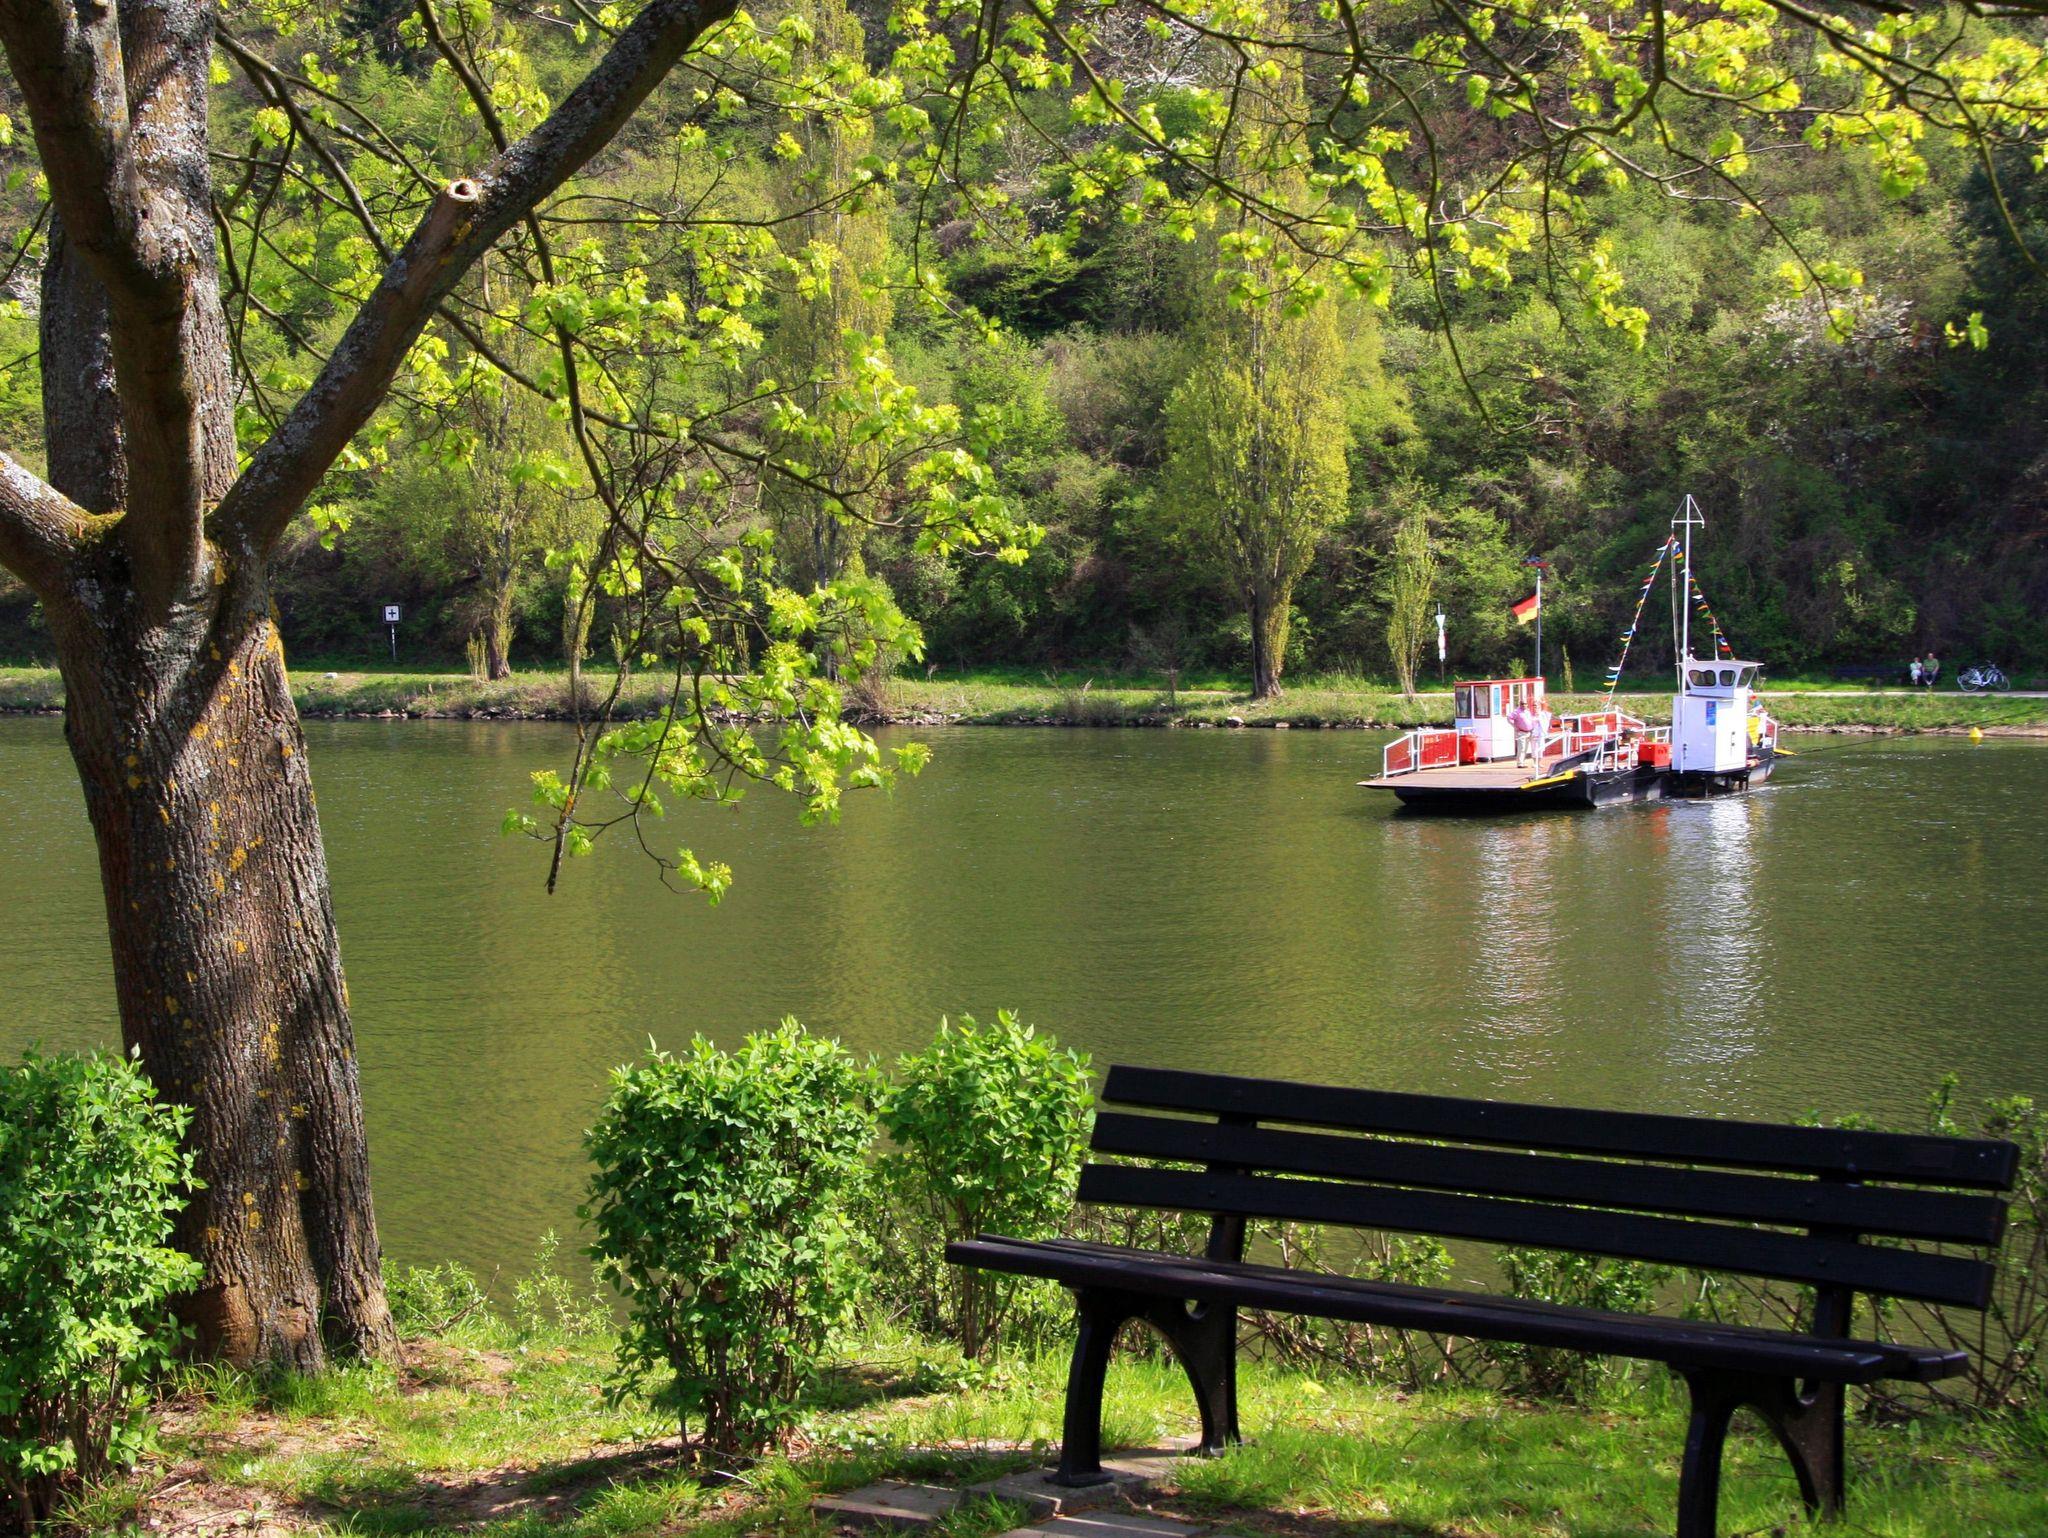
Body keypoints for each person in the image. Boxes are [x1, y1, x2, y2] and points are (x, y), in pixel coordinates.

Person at [1508, 698, 1536, 767]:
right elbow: (1509, 718)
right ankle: (1520, 763)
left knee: (1526, 748)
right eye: (1522, 704)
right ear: (1520, 704)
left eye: (1525, 704)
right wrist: (1514, 726)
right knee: (1521, 748)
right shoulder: (1516, 712)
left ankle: (1522, 762)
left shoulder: (1527, 712)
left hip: (1529, 732)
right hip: (1521, 732)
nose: (1524, 705)